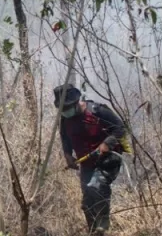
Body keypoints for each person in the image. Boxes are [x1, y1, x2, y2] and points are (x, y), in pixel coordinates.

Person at [53, 84, 127, 236]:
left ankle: (103, 227)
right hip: (86, 163)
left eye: (67, 107)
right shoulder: (65, 120)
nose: (65, 112)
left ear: (76, 102)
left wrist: (107, 143)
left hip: (108, 159)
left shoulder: (97, 111)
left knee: (96, 187)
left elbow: (120, 127)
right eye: (62, 109)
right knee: (87, 202)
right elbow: (65, 138)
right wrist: (68, 155)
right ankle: (93, 231)